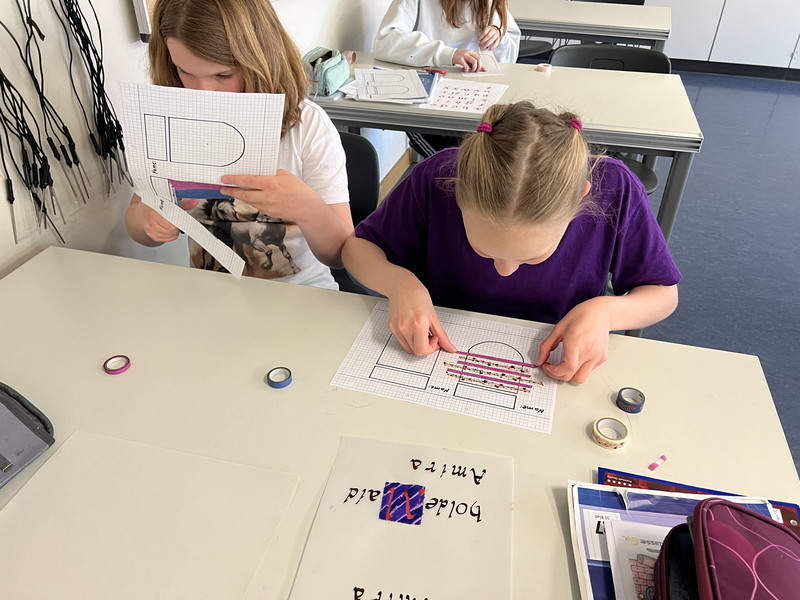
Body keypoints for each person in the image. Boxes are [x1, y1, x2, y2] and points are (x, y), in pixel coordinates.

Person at [341, 102, 681, 384]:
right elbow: (357, 249)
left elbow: (663, 294)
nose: (504, 271)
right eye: (484, 251)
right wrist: (399, 284)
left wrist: (605, 313)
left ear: (581, 199)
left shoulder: (617, 190)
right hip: (441, 355)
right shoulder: (437, 177)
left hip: (556, 363)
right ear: (457, 190)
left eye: (532, 258)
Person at [125, 0, 353, 288]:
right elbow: (136, 221)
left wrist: (309, 209)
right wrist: (148, 221)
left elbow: (341, 254)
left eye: (223, 75)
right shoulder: (169, 125)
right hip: (212, 294)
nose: (204, 94)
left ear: (260, 60)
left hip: (302, 292)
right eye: (185, 72)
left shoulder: (308, 127)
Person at [374, 0, 521, 157]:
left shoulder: (491, 3)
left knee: (500, 148)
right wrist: (448, 54)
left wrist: (498, 35)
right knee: (457, 161)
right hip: (430, 101)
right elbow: (385, 41)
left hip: (476, 96)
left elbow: (508, 58)